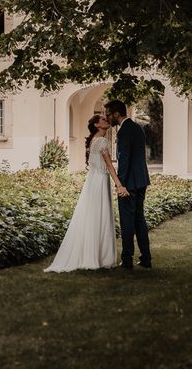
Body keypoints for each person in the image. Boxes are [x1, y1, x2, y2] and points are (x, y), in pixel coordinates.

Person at [44, 115, 126, 272]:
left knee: (92, 216)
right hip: (100, 180)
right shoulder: (101, 141)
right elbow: (109, 165)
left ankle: (94, 254)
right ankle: (99, 257)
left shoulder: (94, 139)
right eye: (102, 119)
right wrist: (119, 185)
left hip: (92, 181)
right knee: (99, 215)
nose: (106, 120)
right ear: (97, 125)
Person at [104, 100, 152, 269]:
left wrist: (120, 185)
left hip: (129, 183)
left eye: (108, 114)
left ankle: (127, 259)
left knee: (127, 222)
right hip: (142, 180)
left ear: (117, 114)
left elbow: (124, 160)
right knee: (139, 219)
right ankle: (146, 258)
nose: (106, 117)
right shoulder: (137, 127)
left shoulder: (124, 131)